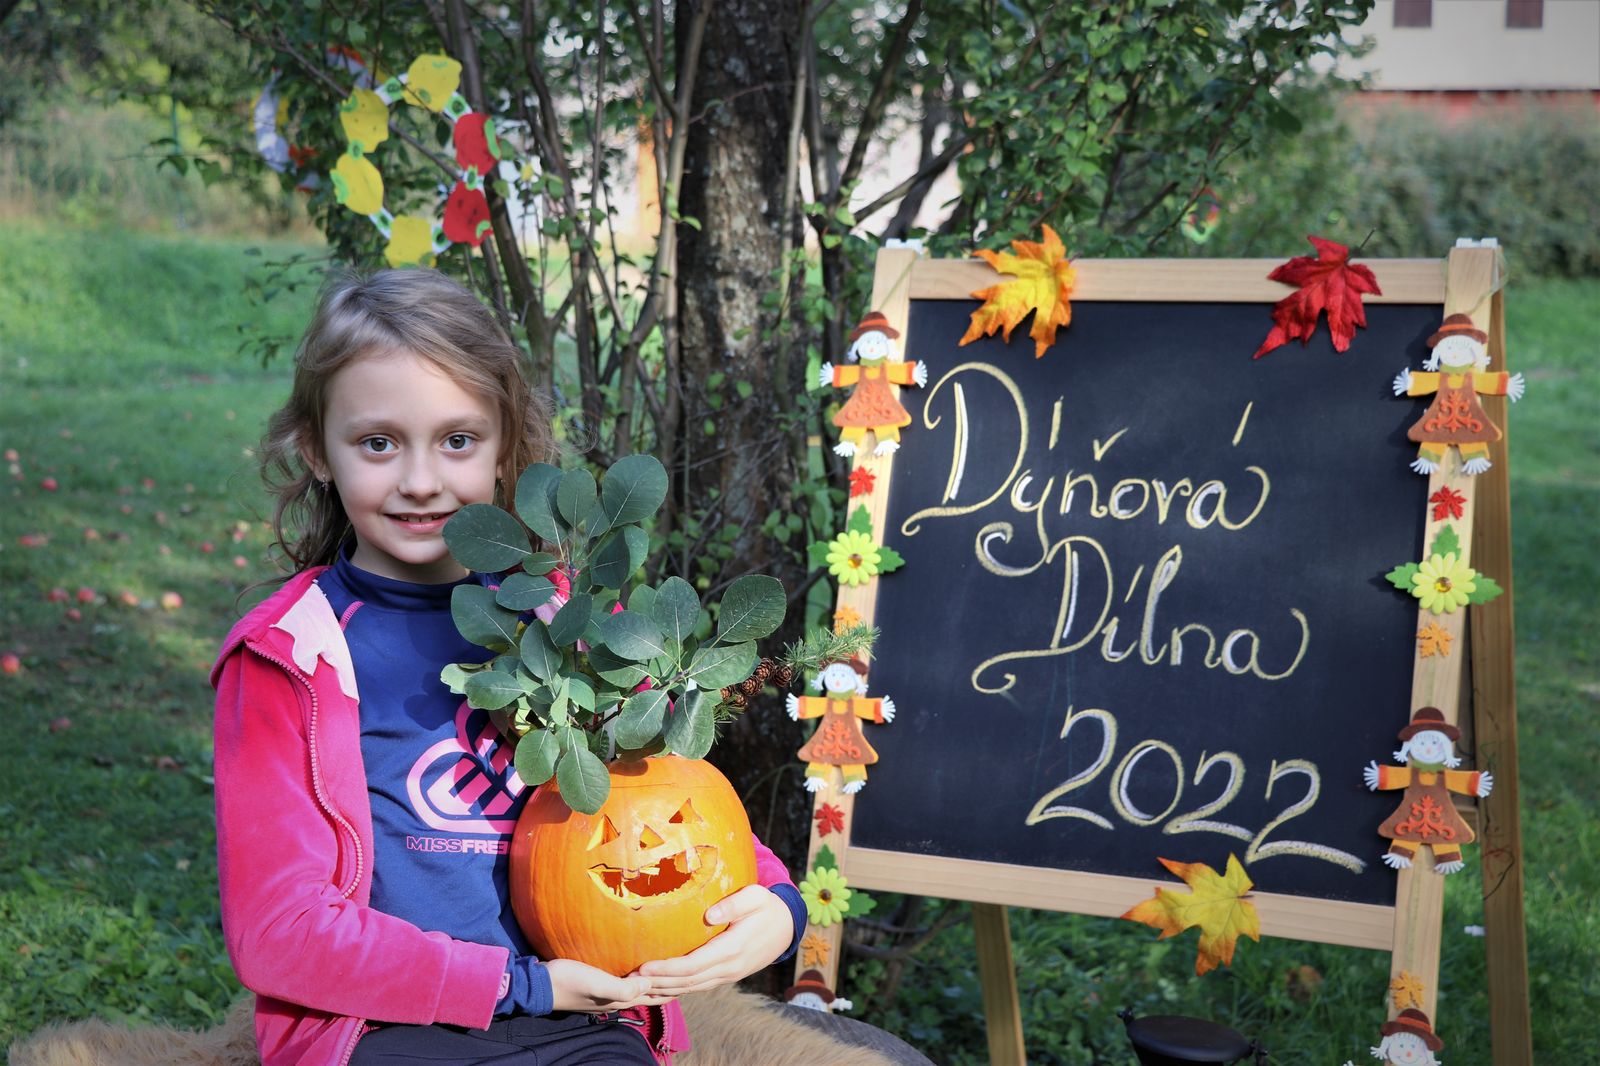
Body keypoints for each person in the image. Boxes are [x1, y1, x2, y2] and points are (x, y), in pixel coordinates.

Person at [212, 269, 806, 1066]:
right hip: (382, 1029)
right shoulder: (288, 655)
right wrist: (518, 985)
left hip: (584, 1021)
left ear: (503, 449)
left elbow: (666, 793)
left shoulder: (566, 621)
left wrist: (776, 902)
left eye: (457, 441)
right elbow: (280, 933)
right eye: (378, 443)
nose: (421, 481)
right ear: (319, 450)